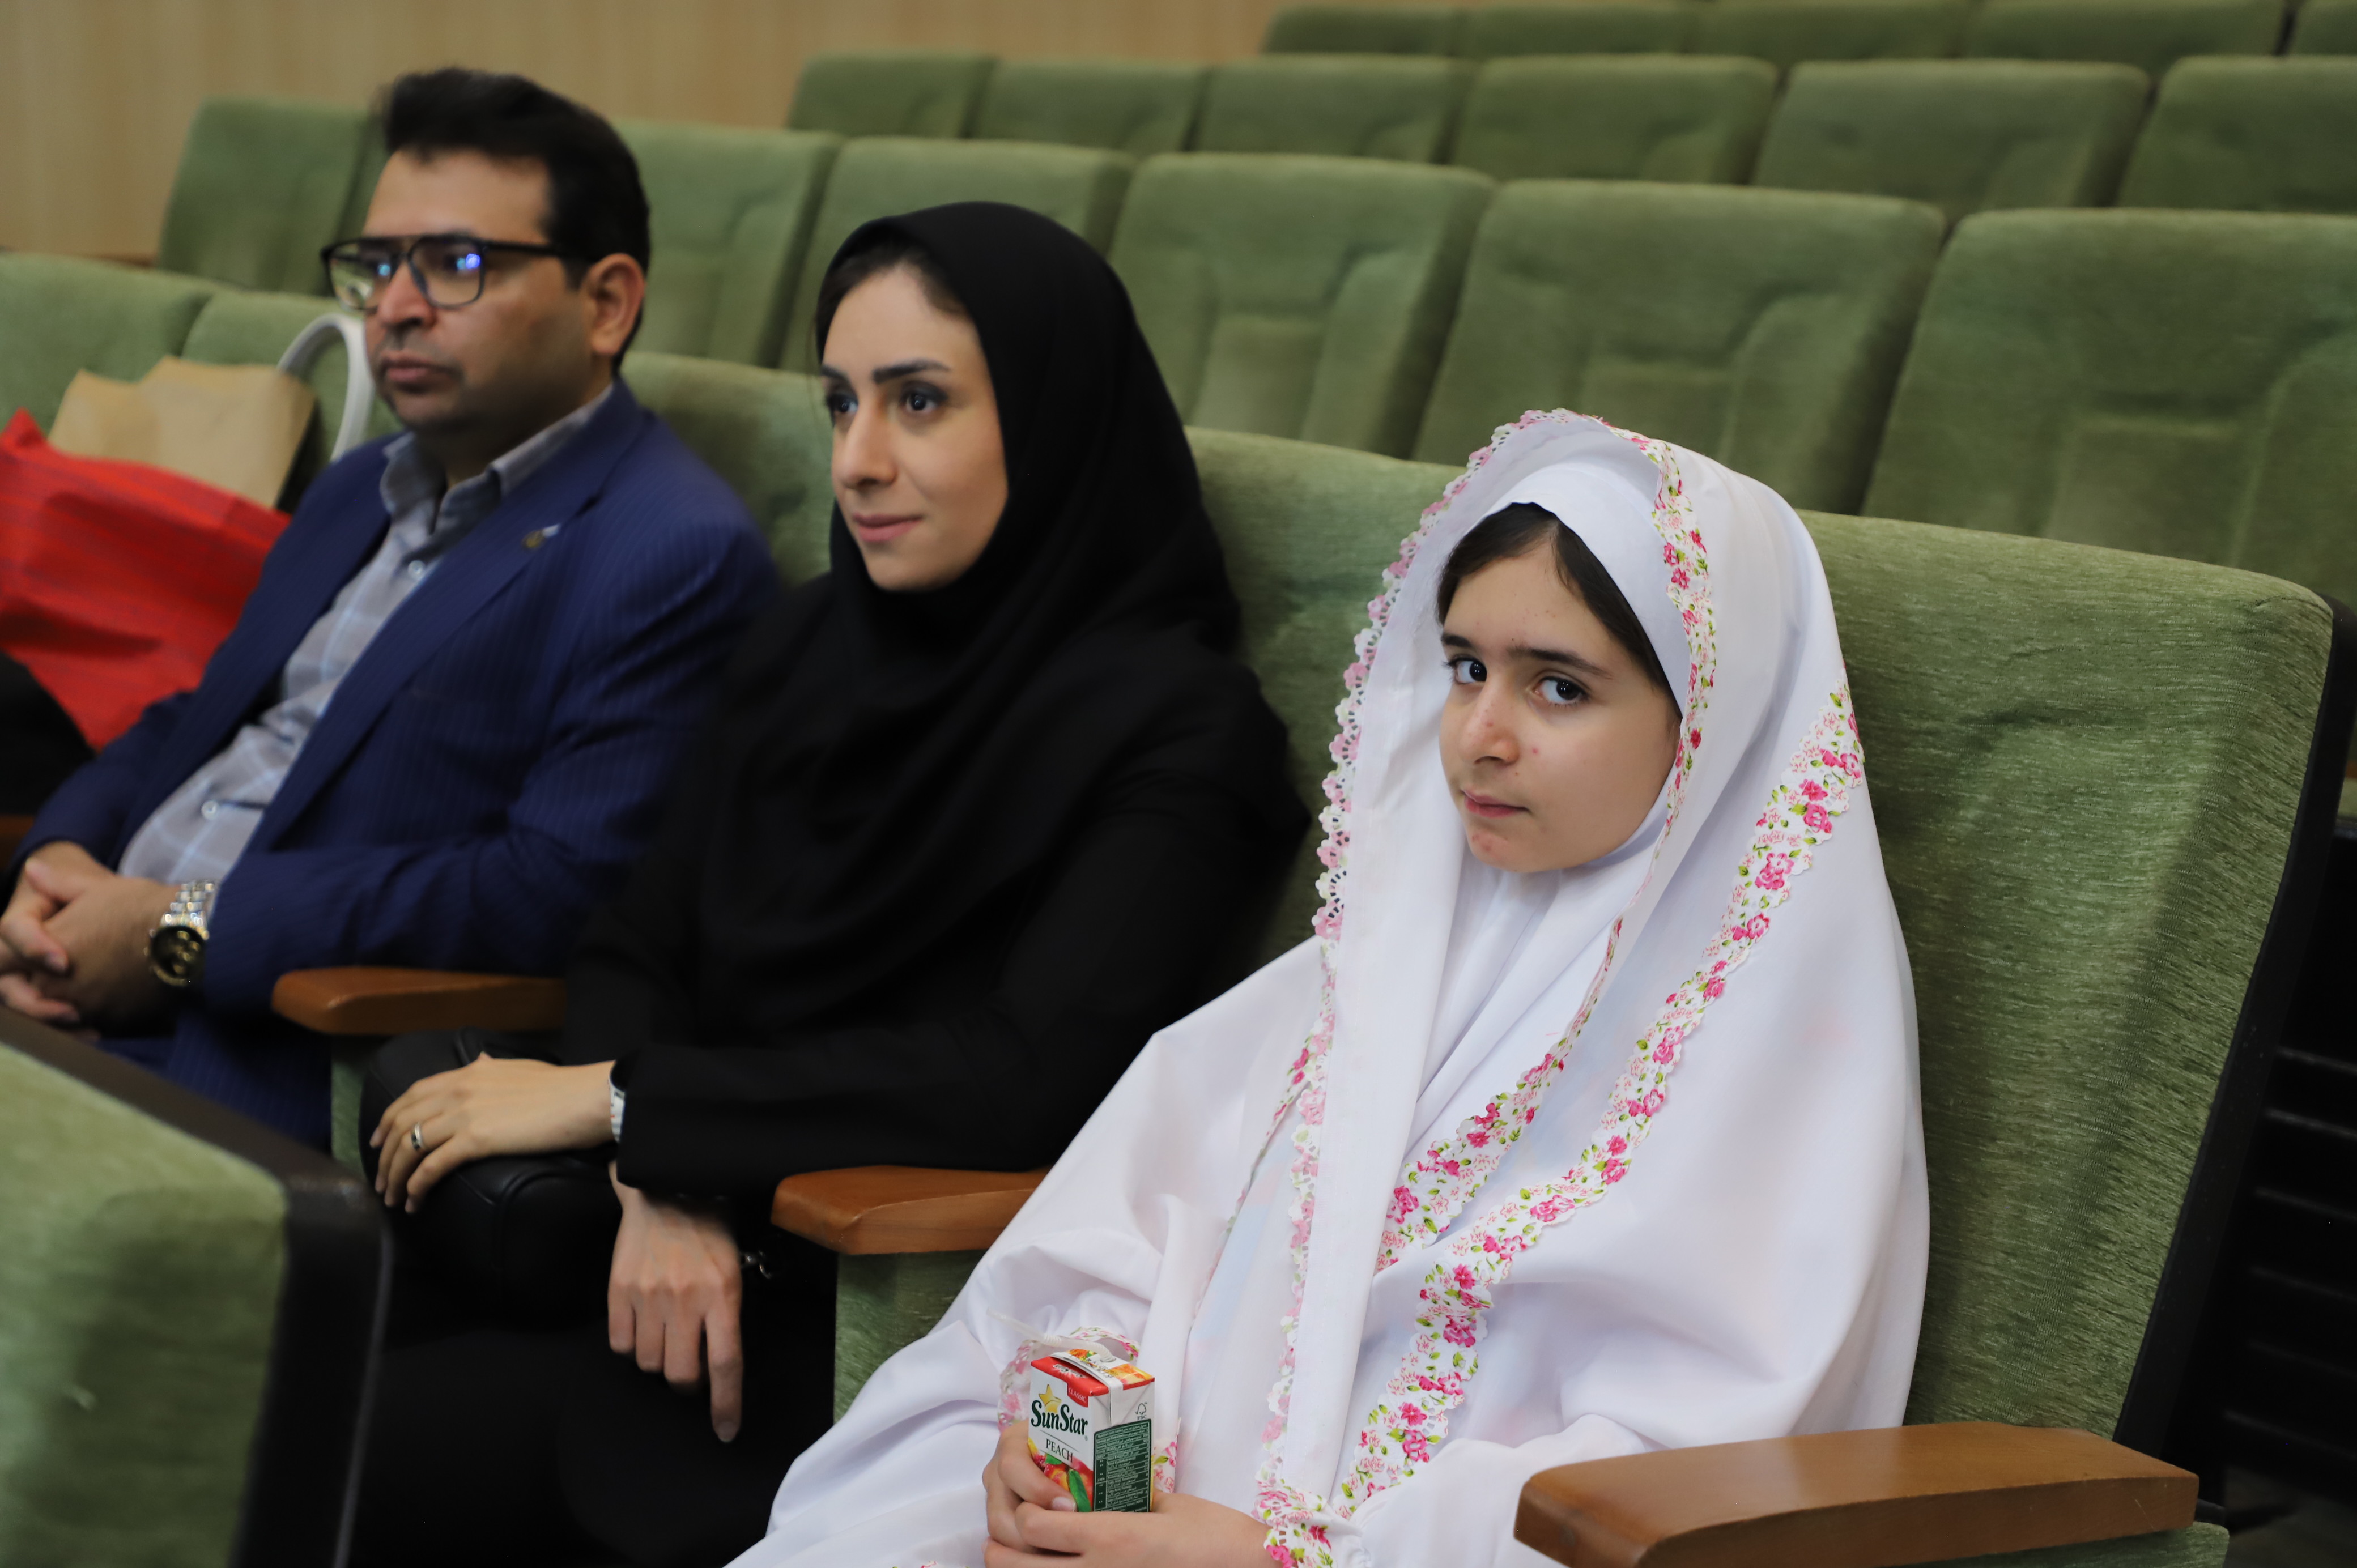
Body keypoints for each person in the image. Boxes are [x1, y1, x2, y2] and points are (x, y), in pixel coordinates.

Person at [730, 411, 1929, 1568]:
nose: (1481, 734)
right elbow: (1118, 1237)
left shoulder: (1779, 1044)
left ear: (1708, 717)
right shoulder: (1379, 958)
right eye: (1466, 668)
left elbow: (1695, 1470)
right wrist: (1049, 1433)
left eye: (1559, 686)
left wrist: (1286, 1557)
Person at [351, 203, 1308, 1567]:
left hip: (857, 1330)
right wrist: (655, 1172)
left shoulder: (1185, 735)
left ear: (1049, 421)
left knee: (325, 1464)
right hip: (637, 1254)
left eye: (919, 402)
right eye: (841, 403)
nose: (858, 461)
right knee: (260, 1362)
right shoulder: (812, 641)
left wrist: (631, 1104)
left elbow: (1022, 1076)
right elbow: (635, 935)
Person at [0, 68, 776, 1144]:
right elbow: (201, 719)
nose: (397, 308)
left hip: (250, 1062)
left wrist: (179, 936)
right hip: (72, 988)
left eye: (457, 266)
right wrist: (55, 867)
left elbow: (546, 894)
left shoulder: (671, 552)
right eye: (378, 266)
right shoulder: (358, 487)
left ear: (606, 304)